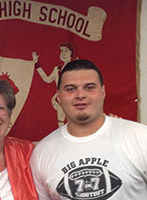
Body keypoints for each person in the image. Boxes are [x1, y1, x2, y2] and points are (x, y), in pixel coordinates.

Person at [30, 59, 147, 199]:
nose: (80, 95)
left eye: (89, 87)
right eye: (70, 89)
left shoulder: (141, 137)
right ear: (59, 96)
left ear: (103, 92)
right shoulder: (42, 153)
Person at [32, 42, 76, 127]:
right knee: (61, 122)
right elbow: (47, 79)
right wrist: (37, 64)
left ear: (71, 53)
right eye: (61, 51)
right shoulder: (57, 69)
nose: (63, 54)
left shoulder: (77, 68)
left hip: (74, 100)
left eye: (66, 51)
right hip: (61, 99)